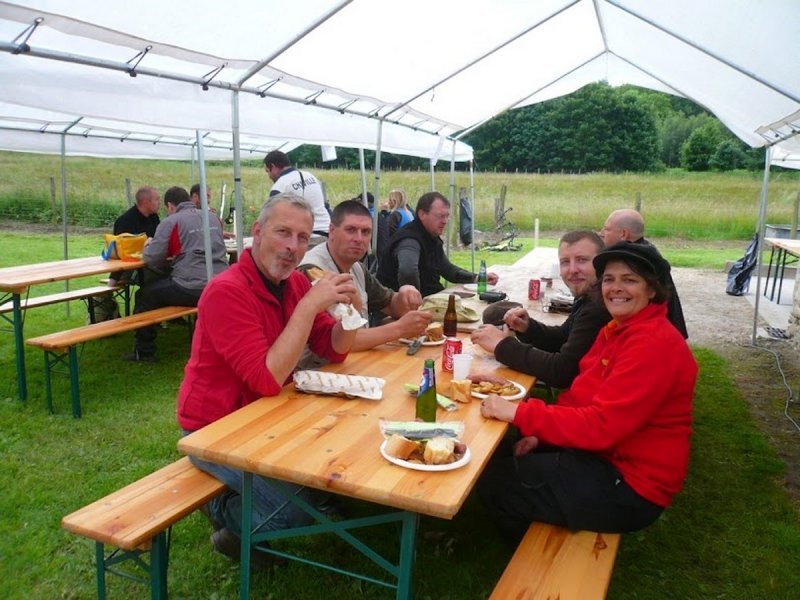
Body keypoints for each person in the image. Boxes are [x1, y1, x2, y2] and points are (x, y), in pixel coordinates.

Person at [177, 193, 360, 566]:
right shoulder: (226, 292)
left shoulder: (294, 285)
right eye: (283, 233)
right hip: (214, 428)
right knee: (293, 513)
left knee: (335, 466)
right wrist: (310, 305)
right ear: (258, 232)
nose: (293, 246)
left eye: (302, 237)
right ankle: (223, 511)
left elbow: (333, 348)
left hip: (267, 414)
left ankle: (257, 503)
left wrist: (350, 315)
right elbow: (266, 378)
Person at [477, 241, 698, 545]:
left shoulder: (653, 344)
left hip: (631, 485)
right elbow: (580, 397)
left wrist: (517, 411)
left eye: (629, 280)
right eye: (609, 279)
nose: (616, 288)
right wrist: (542, 437)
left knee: (494, 481)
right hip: (608, 456)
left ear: (652, 290)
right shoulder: (620, 329)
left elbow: (601, 427)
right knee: (505, 455)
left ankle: (539, 560)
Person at [297, 200, 432, 368]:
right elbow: (340, 341)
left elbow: (390, 304)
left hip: (355, 365)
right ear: (331, 231)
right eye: (351, 230)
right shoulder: (311, 271)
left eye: (366, 232)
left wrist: (405, 293)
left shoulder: (357, 268)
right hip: (317, 373)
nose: (359, 239)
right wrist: (399, 329)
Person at [470, 231, 610, 389]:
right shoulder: (590, 296)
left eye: (582, 260)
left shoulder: (599, 307)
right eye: (565, 262)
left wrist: (501, 345)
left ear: (601, 263)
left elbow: (562, 371)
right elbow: (563, 337)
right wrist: (528, 327)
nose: (572, 269)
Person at [126, 186, 228, 362]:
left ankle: (144, 351)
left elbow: (152, 258)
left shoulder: (171, 221)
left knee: (144, 295)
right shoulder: (212, 217)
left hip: (191, 286)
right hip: (221, 282)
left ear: (170, 206)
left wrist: (147, 246)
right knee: (161, 286)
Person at [377, 191, 499, 297]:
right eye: (440, 216)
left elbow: (447, 269)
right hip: (400, 311)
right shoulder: (410, 240)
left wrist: (477, 278)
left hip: (432, 300)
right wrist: (415, 302)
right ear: (422, 214)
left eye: (447, 216)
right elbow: (408, 271)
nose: (445, 221)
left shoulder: (431, 236)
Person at [599, 208, 688, 338]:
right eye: (609, 279)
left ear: (623, 234)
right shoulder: (647, 254)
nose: (601, 233)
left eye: (607, 229)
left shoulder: (640, 261)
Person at [263, 150, 330, 247]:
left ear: (273, 166)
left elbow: (277, 220)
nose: (269, 176)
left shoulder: (279, 187)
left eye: (268, 171)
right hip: (327, 233)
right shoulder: (310, 176)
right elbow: (324, 204)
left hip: (307, 238)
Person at [107, 186, 163, 288]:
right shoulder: (126, 221)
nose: (160, 202)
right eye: (157, 199)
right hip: (130, 269)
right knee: (158, 280)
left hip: (150, 263)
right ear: (146, 202)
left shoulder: (154, 217)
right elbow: (120, 254)